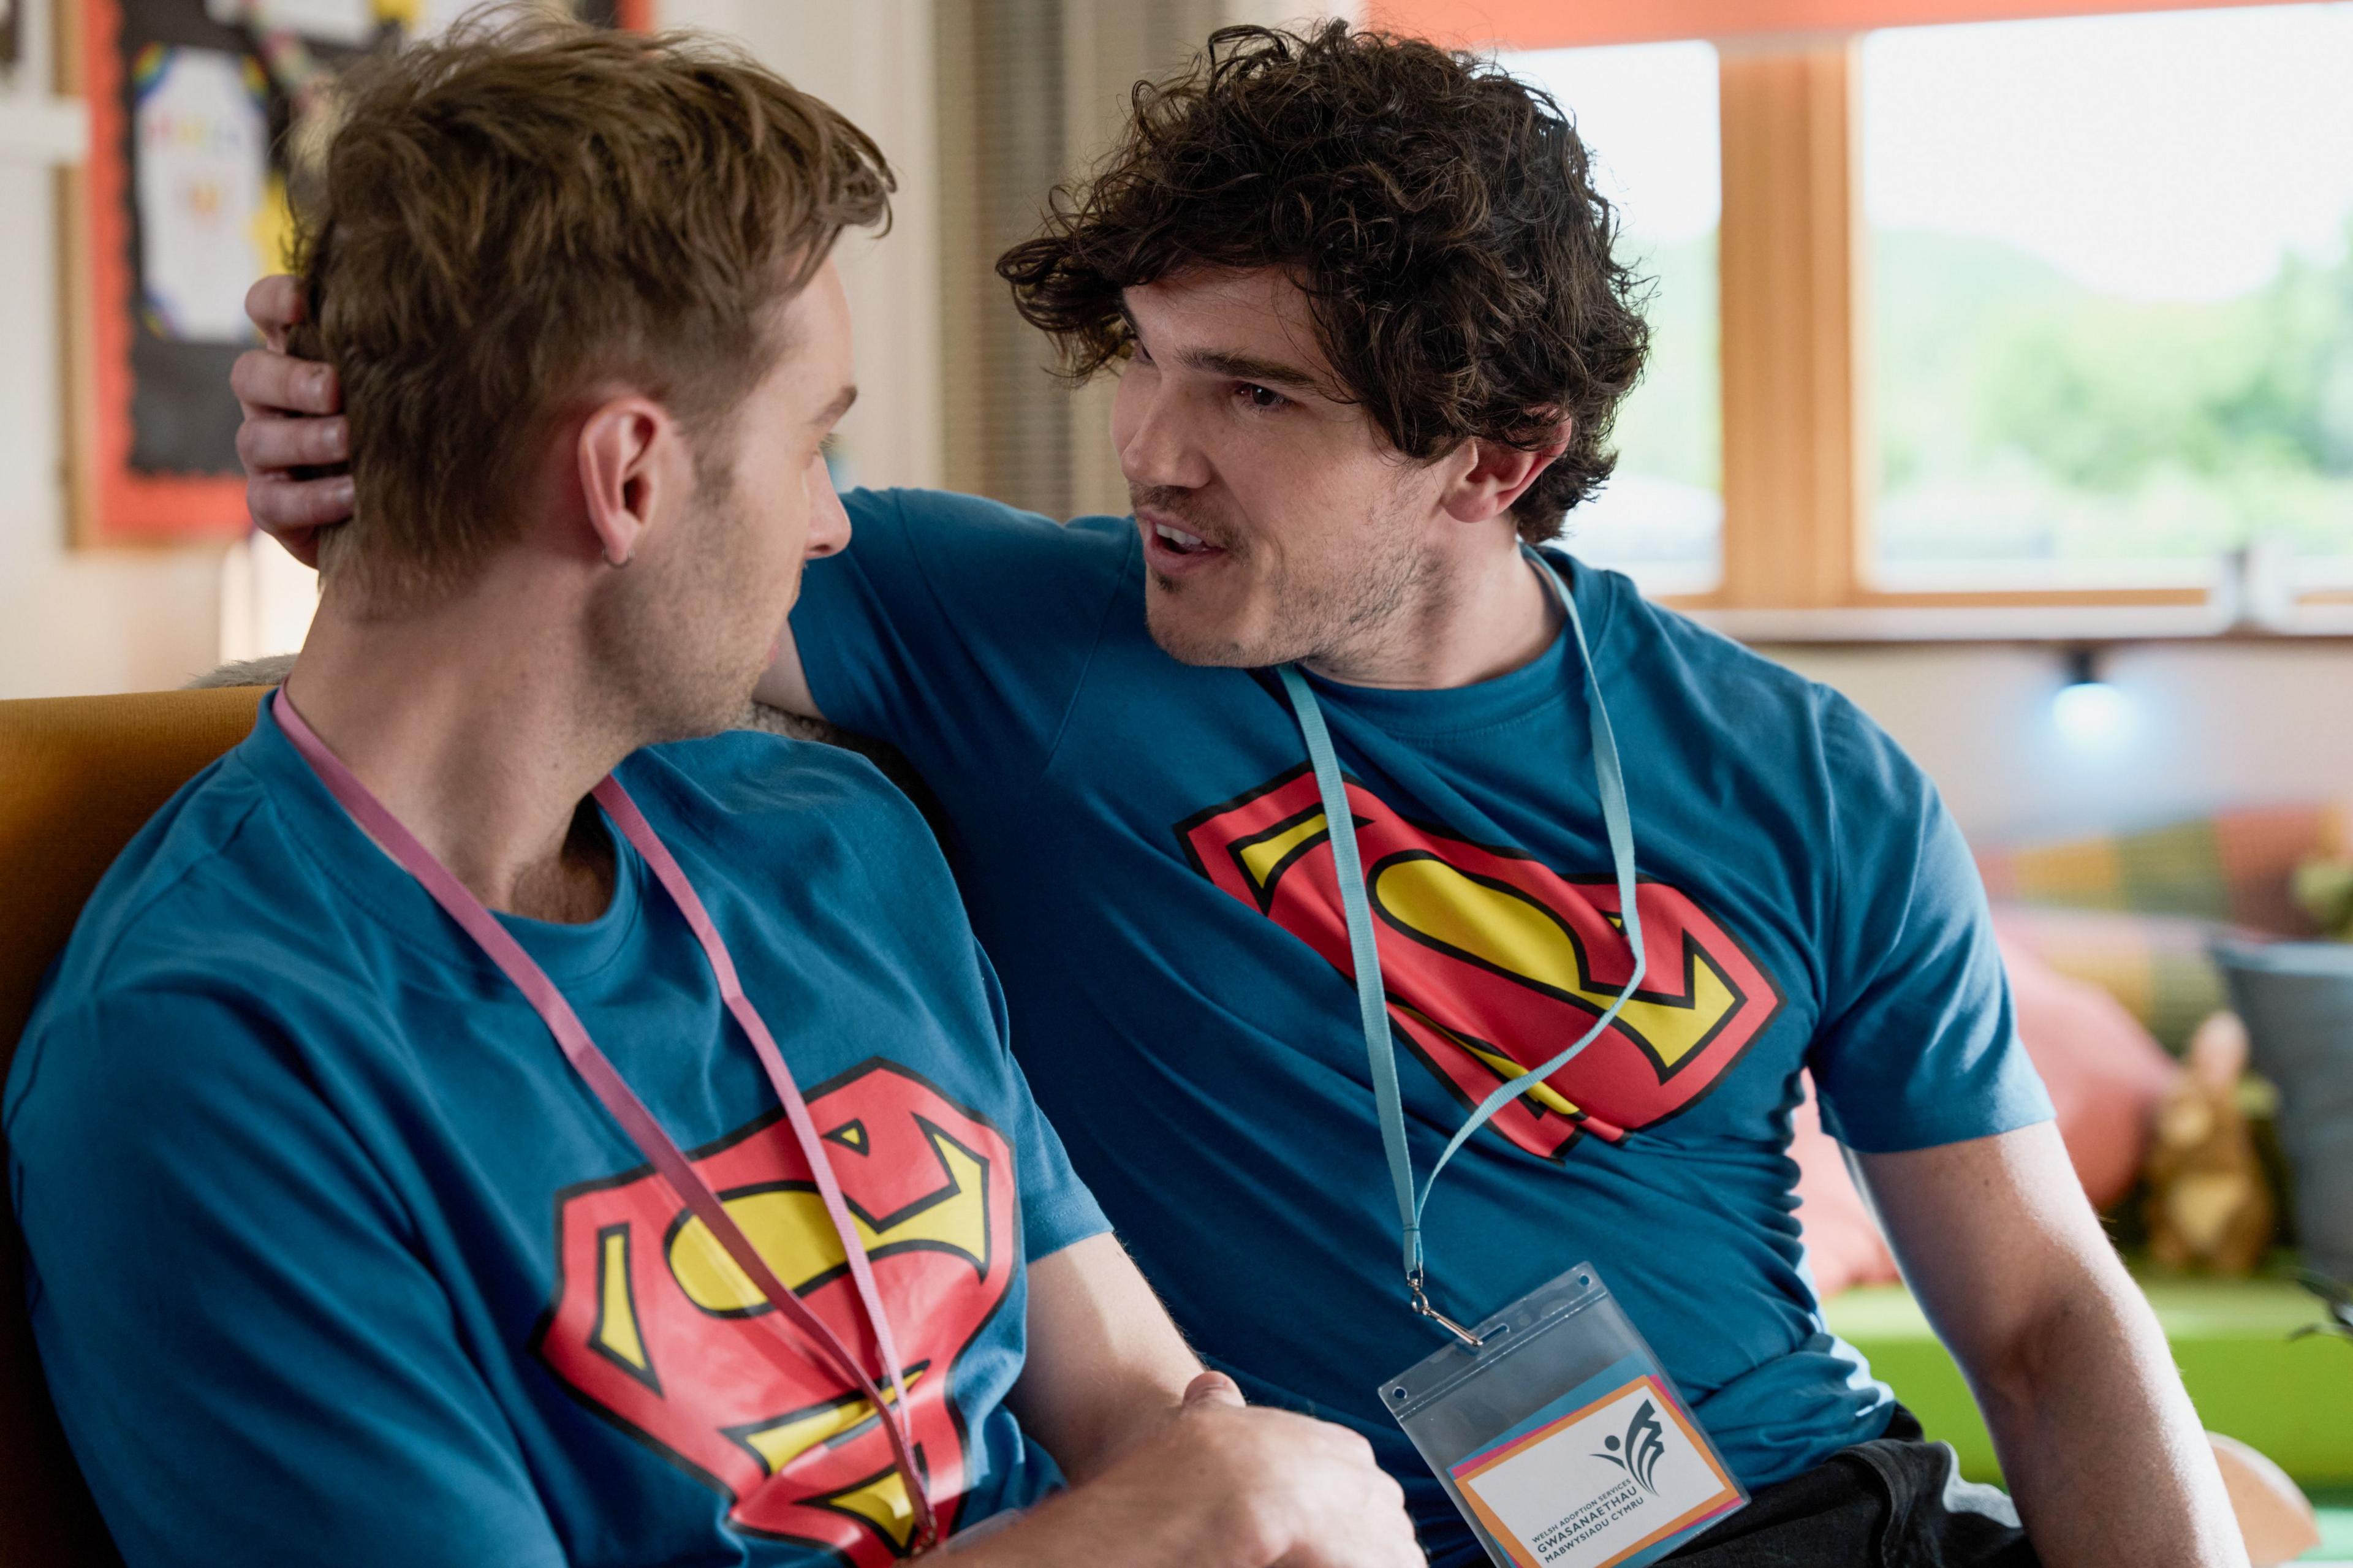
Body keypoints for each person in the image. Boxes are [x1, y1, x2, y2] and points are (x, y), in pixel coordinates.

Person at [232, 21, 2248, 1568]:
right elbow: (556, 568)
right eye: (1152, 361)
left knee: (2214, 1489)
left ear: (1496, 456)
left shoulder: (1808, 779)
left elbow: (2058, 1324)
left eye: (1258, 396)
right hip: (1318, 1531)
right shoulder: (981, 620)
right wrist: (354, 413)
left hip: (1788, 1512)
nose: (1154, 454)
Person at [6, 20, 1422, 1568]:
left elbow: (1142, 1399)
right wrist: (1189, 1512)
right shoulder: (211, 1055)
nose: (832, 526)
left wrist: (1246, 1499)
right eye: (817, 440)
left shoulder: (833, 842)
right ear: (626, 477)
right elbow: (1184, 1491)